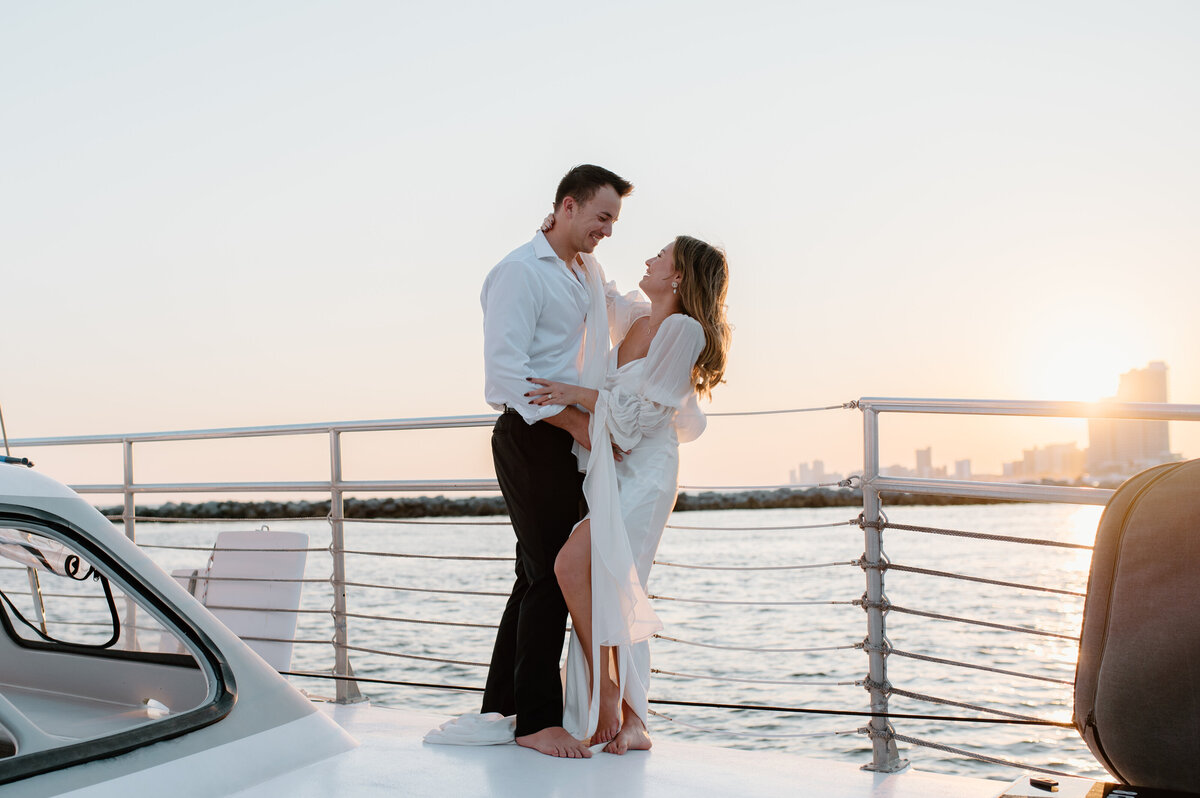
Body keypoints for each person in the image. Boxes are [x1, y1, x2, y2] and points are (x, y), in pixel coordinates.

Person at [526, 234, 732, 755]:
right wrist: (571, 237)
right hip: (611, 469)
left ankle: (616, 699)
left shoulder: (682, 330)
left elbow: (642, 419)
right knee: (609, 580)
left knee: (588, 570)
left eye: (660, 257)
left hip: (646, 472)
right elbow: (600, 288)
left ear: (679, 275)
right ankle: (627, 713)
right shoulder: (640, 318)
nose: (648, 259)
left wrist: (579, 396)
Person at [478, 164, 633, 759]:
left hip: (566, 438)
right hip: (531, 434)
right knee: (549, 574)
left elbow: (627, 311)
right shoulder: (520, 272)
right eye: (602, 217)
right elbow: (504, 375)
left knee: (532, 575)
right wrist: (579, 424)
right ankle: (537, 722)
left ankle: (505, 704)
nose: (608, 230)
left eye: (614, 220)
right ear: (567, 206)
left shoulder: (586, 270)